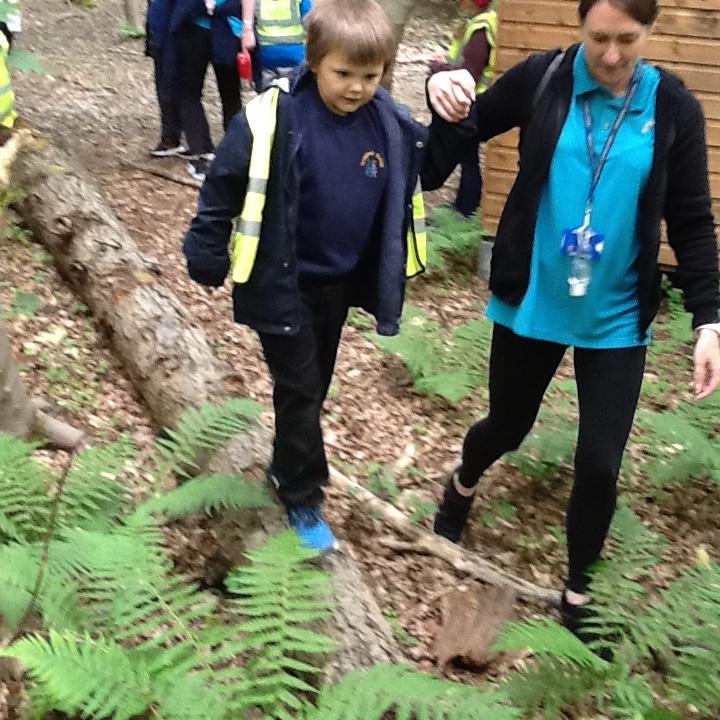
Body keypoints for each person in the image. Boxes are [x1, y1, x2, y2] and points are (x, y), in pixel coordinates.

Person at [422, 0, 720, 637]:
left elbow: (693, 220)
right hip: (532, 299)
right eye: (599, 37)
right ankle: (464, 480)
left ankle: (579, 590)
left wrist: (709, 322)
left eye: (627, 40)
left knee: (601, 463)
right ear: (580, 26)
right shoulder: (545, 78)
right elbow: (452, 141)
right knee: (507, 426)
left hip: (616, 314)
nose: (611, 55)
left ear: (651, 30)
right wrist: (441, 90)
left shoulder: (673, 108)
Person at [182, 0, 428, 553]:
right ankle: (303, 495)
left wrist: (457, 123)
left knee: (312, 388)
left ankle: (283, 463)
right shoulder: (274, 117)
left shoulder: (387, 123)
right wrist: (205, 246)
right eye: (344, 73)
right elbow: (224, 181)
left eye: (371, 76)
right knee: (299, 388)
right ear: (314, 61)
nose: (357, 87)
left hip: (337, 284)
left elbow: (427, 166)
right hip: (283, 280)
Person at [170, 0, 255, 180]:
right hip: (199, 26)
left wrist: (247, 29)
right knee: (191, 93)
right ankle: (202, 152)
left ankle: (230, 154)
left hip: (224, 27)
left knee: (228, 95)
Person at [429, 0, 496, 217]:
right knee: (468, 157)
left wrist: (438, 68)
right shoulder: (486, 21)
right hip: (474, 101)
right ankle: (463, 204)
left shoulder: (481, 28)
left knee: (468, 160)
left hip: (470, 103)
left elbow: (469, 73)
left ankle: (466, 209)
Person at [146, 0, 186, 157]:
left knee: (171, 87)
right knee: (163, 88)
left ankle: (175, 137)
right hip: (158, 33)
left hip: (172, 36)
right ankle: (170, 137)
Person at [252, 0, 311, 91]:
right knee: (294, 91)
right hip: (295, 54)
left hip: (266, 55)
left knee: (267, 93)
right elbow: (309, 22)